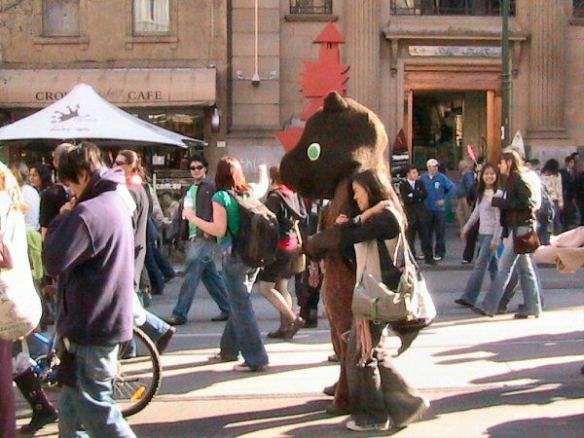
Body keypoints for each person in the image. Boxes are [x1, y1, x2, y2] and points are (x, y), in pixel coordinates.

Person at [43, 142, 136, 437]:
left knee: (98, 411)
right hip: (100, 319)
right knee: (73, 414)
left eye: (70, 182)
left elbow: (53, 259)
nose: (69, 190)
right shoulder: (114, 200)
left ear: (82, 174)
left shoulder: (87, 213)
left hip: (91, 324)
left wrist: (63, 216)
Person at [335, 169, 429, 431]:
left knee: (362, 354)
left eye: (358, 192)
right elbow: (350, 244)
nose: (356, 197)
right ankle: (408, 404)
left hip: (379, 296)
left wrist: (355, 220)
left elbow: (349, 236)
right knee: (368, 351)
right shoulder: (380, 215)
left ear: (371, 189)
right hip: (373, 294)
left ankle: (374, 416)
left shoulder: (386, 217)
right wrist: (359, 218)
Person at [183, 156, 269, 372]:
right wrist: (263, 169)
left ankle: (256, 358)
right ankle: (228, 350)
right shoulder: (247, 192)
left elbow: (219, 230)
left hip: (234, 257)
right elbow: (264, 185)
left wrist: (193, 218)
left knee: (241, 307)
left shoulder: (221, 196)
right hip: (252, 257)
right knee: (239, 303)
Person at [113, 150, 175, 354]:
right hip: (137, 247)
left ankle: (157, 330)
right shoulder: (139, 187)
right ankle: (129, 345)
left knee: (125, 299)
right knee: (127, 297)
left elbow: (128, 223)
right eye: (115, 162)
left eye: (121, 163)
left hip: (131, 248)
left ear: (132, 165)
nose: (116, 166)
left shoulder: (130, 189)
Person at [474, 150, 543, 319]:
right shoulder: (512, 179)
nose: (500, 166)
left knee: (504, 267)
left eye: (502, 162)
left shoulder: (517, 178)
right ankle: (533, 306)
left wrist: (500, 203)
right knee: (524, 269)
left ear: (510, 162)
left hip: (520, 228)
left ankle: (489, 305)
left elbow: (527, 202)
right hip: (518, 227)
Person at [167, 155, 231, 325]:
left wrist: (212, 225)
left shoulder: (211, 187)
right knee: (210, 277)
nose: (196, 170)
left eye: (199, 167)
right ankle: (229, 308)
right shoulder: (189, 190)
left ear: (205, 169)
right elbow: (184, 214)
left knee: (191, 275)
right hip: (194, 236)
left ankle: (179, 313)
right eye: (193, 168)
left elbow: (218, 208)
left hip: (204, 237)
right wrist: (178, 233)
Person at [259, 166, 307, 340]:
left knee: (266, 287)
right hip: (293, 244)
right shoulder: (294, 194)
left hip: (278, 246)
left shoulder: (274, 198)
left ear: (272, 179)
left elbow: (264, 220)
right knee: (282, 287)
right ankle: (285, 327)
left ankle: (294, 320)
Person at [454, 163, 502, 308]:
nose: (489, 176)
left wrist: (495, 239)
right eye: (486, 174)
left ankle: (469, 297)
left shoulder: (498, 194)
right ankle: (499, 296)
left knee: (480, 265)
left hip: (491, 234)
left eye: (492, 174)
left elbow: (500, 219)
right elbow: (476, 212)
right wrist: (466, 228)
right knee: (494, 268)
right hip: (483, 233)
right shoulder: (481, 192)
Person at [420, 158, 455, 261]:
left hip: (439, 209)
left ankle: (440, 252)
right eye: (432, 166)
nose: (434, 168)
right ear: (428, 168)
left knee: (440, 232)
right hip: (426, 208)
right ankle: (427, 252)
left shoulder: (442, 178)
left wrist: (445, 199)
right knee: (427, 233)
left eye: (436, 166)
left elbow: (453, 188)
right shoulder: (423, 178)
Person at [398, 165, 434, 265]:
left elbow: (425, 194)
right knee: (410, 238)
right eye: (413, 172)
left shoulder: (420, 183)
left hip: (421, 213)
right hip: (410, 215)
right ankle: (411, 258)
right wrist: (416, 194)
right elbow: (406, 199)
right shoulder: (403, 185)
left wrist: (413, 194)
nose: (415, 175)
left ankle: (429, 257)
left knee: (425, 237)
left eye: (416, 172)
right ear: (408, 174)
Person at [540, 159, 564, 236]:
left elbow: (559, 189)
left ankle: (556, 235)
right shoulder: (542, 175)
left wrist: (561, 202)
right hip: (545, 201)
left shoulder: (557, 175)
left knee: (555, 219)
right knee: (548, 220)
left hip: (554, 200)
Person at [560, 154, 579, 230]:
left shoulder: (575, 172)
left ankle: (570, 224)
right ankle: (565, 226)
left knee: (572, 210)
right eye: (570, 162)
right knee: (565, 211)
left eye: (573, 162)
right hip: (564, 193)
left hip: (572, 194)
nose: (572, 164)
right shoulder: (562, 172)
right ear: (566, 163)